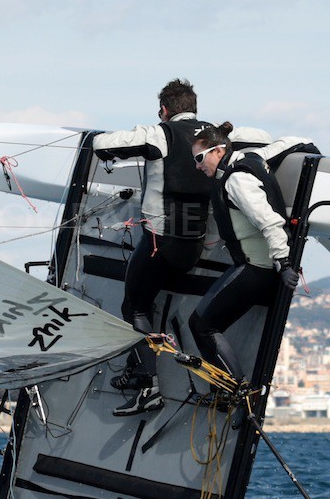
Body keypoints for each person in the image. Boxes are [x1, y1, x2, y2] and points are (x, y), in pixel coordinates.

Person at [90, 78, 216, 415]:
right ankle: (139, 370)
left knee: (135, 308)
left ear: (164, 110)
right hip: (194, 245)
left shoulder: (161, 133)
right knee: (148, 300)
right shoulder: (215, 138)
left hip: (161, 241)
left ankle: (149, 385)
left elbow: (102, 143)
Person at [186, 123, 312, 383]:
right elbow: (290, 141)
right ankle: (231, 386)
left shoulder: (237, 180)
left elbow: (270, 222)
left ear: (218, 152)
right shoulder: (251, 159)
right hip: (259, 268)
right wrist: (311, 148)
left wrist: (284, 264)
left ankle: (232, 387)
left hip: (257, 269)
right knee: (204, 323)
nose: (197, 167)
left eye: (200, 158)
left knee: (201, 326)